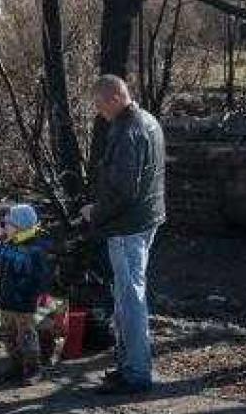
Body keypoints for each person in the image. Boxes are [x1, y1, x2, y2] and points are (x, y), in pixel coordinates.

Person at [80, 75, 166, 395]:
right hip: (145, 219)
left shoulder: (128, 130)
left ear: (115, 97)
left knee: (130, 299)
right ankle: (129, 364)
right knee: (127, 295)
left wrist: (96, 212)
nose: (99, 111)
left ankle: (136, 373)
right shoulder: (149, 121)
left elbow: (124, 189)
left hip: (127, 225)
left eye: (100, 105)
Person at [0, 203, 51, 386]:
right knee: (9, 334)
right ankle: (15, 365)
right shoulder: (12, 242)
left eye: (8, 224)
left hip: (24, 300)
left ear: (20, 226)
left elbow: (15, 259)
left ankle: (33, 368)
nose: (5, 226)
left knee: (27, 335)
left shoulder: (34, 246)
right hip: (7, 299)